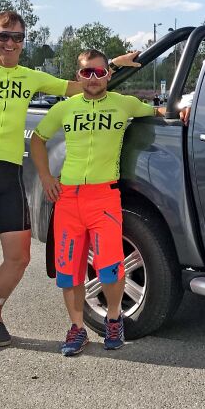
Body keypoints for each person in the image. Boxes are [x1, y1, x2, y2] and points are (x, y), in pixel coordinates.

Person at [0, 12, 141, 356]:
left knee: (20, 256)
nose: (9, 43)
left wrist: (113, 64)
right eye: (3, 36)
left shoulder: (30, 77)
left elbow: (81, 85)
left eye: (16, 37)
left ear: (24, 41)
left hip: (9, 171)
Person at [29, 49, 164, 355]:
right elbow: (38, 139)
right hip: (68, 199)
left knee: (110, 268)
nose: (93, 78)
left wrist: (180, 110)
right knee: (69, 271)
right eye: (87, 72)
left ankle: (114, 319)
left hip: (104, 197)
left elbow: (155, 113)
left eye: (99, 72)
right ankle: (77, 329)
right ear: (78, 76)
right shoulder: (66, 108)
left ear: (108, 75)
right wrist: (46, 178)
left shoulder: (123, 104)